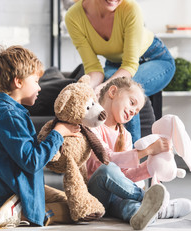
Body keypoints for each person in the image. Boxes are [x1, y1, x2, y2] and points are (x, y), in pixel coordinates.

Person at [0, 45, 81, 229]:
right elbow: (32, 161)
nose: (39, 88)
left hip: (0, 192)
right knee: (77, 208)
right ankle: (23, 214)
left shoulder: (0, 110)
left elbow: (24, 154)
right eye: (36, 81)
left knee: (71, 197)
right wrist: (58, 133)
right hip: (6, 196)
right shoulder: (10, 116)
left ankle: (22, 210)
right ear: (18, 82)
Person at [86, 76, 191, 230]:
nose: (132, 113)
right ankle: (151, 201)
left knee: (129, 207)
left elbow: (126, 176)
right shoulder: (92, 126)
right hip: (96, 194)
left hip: (116, 198)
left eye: (136, 112)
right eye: (132, 103)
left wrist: (149, 167)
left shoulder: (126, 136)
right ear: (113, 92)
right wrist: (146, 150)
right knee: (107, 170)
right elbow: (107, 157)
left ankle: (151, 212)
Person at [65, 0, 176, 143]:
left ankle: (133, 156)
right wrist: (87, 89)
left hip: (155, 59)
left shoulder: (130, 9)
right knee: (108, 89)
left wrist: (104, 86)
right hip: (117, 64)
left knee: (126, 90)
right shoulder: (74, 17)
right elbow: (93, 68)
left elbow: (130, 64)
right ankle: (105, 152)